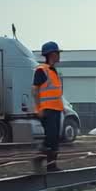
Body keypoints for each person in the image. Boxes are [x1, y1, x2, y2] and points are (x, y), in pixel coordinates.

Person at [33, 41, 65, 172]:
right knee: (50, 137)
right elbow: (34, 90)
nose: (59, 55)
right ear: (52, 54)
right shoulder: (42, 70)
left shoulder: (53, 71)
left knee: (55, 139)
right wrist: (38, 108)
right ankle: (39, 155)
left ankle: (52, 166)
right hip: (47, 109)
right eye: (57, 53)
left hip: (56, 109)